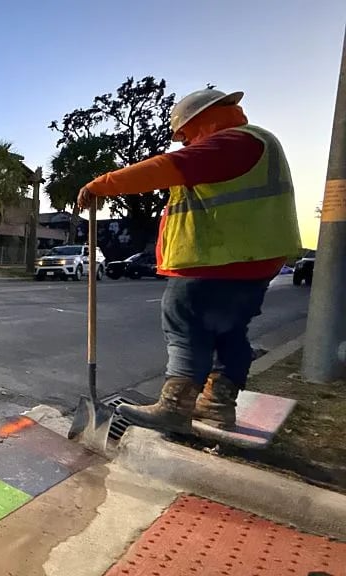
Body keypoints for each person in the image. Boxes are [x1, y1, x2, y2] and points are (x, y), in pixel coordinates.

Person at [77, 88, 301, 433]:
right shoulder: (254, 144)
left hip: (216, 257)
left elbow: (163, 168)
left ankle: (175, 407)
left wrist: (99, 186)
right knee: (228, 333)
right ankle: (215, 404)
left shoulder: (233, 143)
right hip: (251, 259)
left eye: (185, 134)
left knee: (185, 324)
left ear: (204, 119)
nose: (184, 143)